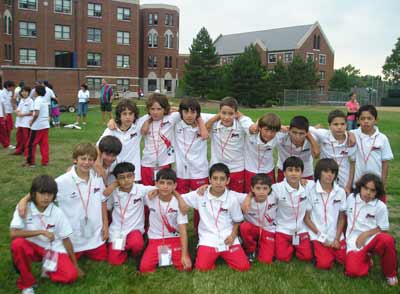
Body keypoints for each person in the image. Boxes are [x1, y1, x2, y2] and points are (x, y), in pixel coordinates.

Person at [19, 143, 109, 261]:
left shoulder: (97, 178)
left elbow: (102, 201)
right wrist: (24, 200)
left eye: (91, 159)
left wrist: (105, 225)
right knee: (68, 260)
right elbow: (42, 189)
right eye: (83, 159)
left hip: (95, 235)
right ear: (75, 160)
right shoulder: (63, 181)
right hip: (73, 236)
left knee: (101, 257)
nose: (87, 162)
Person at [10, 175, 83, 293]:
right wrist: (41, 232)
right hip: (32, 247)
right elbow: (13, 234)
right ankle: (27, 284)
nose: (46, 198)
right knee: (17, 244)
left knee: (71, 276)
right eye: (42, 194)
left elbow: (66, 239)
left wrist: (75, 265)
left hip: (52, 248)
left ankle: (48, 268)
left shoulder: (57, 212)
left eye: (50, 194)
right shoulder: (24, 207)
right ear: (33, 194)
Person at [179, 163, 251, 272]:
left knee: (244, 267)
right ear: (209, 179)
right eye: (215, 178)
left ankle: (232, 247)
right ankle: (207, 253)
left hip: (228, 238)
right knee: (201, 268)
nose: (218, 182)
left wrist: (232, 235)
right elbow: (180, 198)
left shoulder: (232, 198)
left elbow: (237, 220)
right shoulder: (199, 194)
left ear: (228, 181)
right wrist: (178, 199)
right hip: (208, 239)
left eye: (222, 179)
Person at [344, 174, 398, 286]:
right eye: (366, 188)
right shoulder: (351, 199)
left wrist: (367, 233)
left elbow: (383, 228)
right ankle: (367, 258)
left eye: (372, 190)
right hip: (354, 242)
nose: (368, 193)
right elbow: (343, 217)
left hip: (371, 240)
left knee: (387, 240)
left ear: (377, 193)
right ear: (360, 187)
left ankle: (391, 275)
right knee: (353, 271)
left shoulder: (380, 206)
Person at [103, 162, 156, 265]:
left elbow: (160, 189)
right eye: (122, 177)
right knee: (114, 261)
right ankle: (123, 249)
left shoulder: (140, 189)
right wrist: (112, 186)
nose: (126, 180)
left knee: (137, 244)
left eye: (129, 176)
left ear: (134, 176)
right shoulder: (114, 193)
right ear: (117, 180)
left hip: (134, 229)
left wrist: (155, 191)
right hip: (117, 231)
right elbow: (107, 206)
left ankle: (132, 250)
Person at [139, 168, 191, 273]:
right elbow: (133, 188)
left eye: (169, 183)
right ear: (156, 184)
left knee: (186, 268)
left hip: (174, 239)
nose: (165, 186)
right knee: (144, 269)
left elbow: (183, 231)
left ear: (175, 185)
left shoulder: (179, 203)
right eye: (162, 183)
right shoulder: (149, 197)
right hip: (155, 239)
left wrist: (184, 255)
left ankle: (173, 257)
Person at [304, 159, 347, 270]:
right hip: (318, 235)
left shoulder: (340, 192)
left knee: (345, 260)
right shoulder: (310, 190)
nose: (330, 175)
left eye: (332, 172)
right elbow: (306, 218)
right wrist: (322, 237)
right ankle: (319, 252)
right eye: (326, 171)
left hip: (335, 234)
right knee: (324, 264)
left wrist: (337, 239)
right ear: (319, 172)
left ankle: (332, 251)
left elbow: (342, 218)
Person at [206, 97, 253, 193]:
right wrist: (215, 118)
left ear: (236, 114)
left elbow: (254, 128)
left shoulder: (241, 124)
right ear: (219, 112)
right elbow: (197, 117)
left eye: (231, 113)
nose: (226, 117)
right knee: (217, 197)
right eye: (223, 113)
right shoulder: (214, 124)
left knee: (236, 198)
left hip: (236, 169)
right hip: (217, 168)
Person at [273, 156, 313, 262]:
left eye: (297, 170)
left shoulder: (308, 186)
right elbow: (260, 191)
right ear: (284, 173)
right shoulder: (276, 188)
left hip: (300, 229)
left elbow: (325, 185)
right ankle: (289, 245)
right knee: (282, 258)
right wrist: (249, 197)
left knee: (307, 257)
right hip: (283, 229)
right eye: (290, 170)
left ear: (302, 173)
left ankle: (293, 245)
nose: (294, 173)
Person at [351, 105, 393, 202]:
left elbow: (385, 163)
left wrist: (383, 183)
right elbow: (337, 132)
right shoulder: (352, 134)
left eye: (369, 118)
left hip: (375, 185)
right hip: (358, 184)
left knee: (375, 213)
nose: (366, 121)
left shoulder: (382, 138)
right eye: (362, 118)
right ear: (357, 120)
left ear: (376, 120)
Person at [98, 100, 148, 182]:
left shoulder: (137, 126)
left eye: (131, 114)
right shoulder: (111, 130)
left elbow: (156, 112)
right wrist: (98, 165)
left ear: (135, 115)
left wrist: (147, 122)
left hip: (133, 175)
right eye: (124, 114)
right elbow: (98, 147)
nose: (128, 117)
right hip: (115, 174)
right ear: (119, 115)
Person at [310, 109, 356, 194]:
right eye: (335, 124)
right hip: (326, 179)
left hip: (344, 181)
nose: (339, 127)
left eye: (342, 124)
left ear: (346, 125)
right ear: (329, 126)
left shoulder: (351, 140)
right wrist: (314, 128)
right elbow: (306, 128)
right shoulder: (324, 135)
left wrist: (348, 186)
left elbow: (353, 164)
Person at [238, 174, 277, 264]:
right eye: (258, 188)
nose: (261, 192)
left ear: (270, 189)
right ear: (252, 189)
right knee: (244, 227)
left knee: (266, 261)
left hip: (268, 230)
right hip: (253, 229)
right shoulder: (244, 199)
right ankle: (250, 250)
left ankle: (263, 246)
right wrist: (206, 187)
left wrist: (302, 181)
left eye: (265, 188)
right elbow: (227, 193)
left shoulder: (274, 196)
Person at [243, 113, 281, 192]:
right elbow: (238, 114)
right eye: (266, 130)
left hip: (268, 171)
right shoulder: (250, 130)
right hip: (250, 170)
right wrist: (257, 122)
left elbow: (301, 129)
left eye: (273, 131)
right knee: (250, 196)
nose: (269, 134)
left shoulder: (279, 135)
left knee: (269, 196)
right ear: (260, 128)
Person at [276, 116, 320, 182]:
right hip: (284, 170)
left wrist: (309, 136)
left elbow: (316, 155)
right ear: (289, 131)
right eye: (294, 132)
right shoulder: (281, 136)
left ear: (307, 133)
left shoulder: (312, 139)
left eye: (301, 133)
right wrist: (279, 126)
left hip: (305, 172)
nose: (297, 137)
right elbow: (265, 124)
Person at [25, 85, 50, 167]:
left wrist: (32, 121)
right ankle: (45, 162)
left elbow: (36, 113)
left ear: (37, 92)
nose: (33, 92)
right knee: (44, 144)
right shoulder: (44, 99)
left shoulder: (37, 100)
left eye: (34, 90)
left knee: (31, 144)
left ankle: (30, 162)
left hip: (37, 126)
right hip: (45, 125)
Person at [14, 86, 33, 155]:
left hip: (26, 123)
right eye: (22, 91)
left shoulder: (30, 101)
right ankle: (19, 150)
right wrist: (17, 111)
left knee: (26, 138)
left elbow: (32, 112)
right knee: (19, 137)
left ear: (28, 92)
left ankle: (27, 151)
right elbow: (18, 109)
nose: (24, 93)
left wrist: (23, 114)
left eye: (25, 91)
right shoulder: (21, 100)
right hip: (20, 122)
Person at [0, 80, 16, 149]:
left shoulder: (9, 92)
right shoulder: (2, 93)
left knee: (9, 128)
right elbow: (2, 104)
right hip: (3, 113)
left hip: (9, 112)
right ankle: (6, 144)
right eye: (12, 87)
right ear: (8, 87)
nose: (13, 89)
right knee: (3, 129)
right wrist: (4, 114)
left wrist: (13, 107)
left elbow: (10, 102)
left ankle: (8, 142)